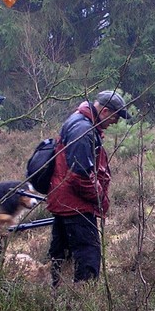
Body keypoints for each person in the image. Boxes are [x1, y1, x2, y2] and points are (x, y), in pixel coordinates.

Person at [46, 90, 129, 284]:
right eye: (116, 117)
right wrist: (99, 197)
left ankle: (59, 301)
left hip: (64, 202)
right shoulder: (84, 131)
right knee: (88, 259)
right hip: (76, 207)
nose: (116, 123)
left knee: (62, 256)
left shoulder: (78, 122)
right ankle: (83, 306)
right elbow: (80, 176)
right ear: (106, 111)